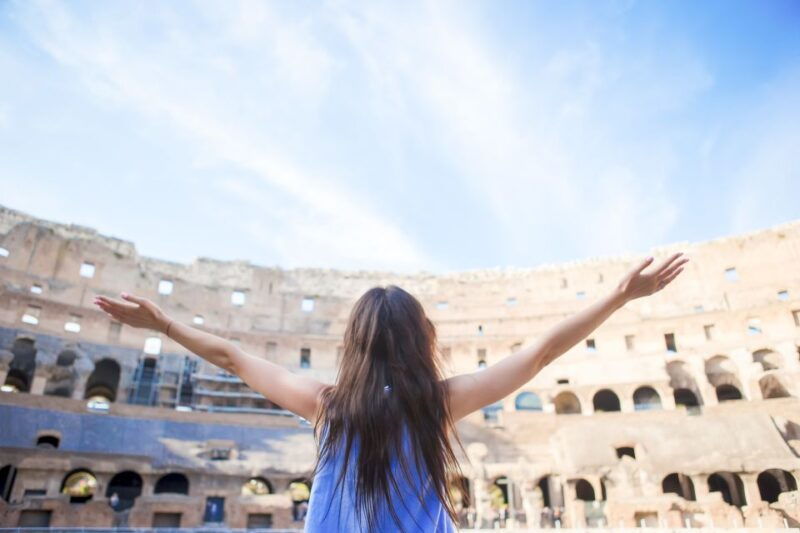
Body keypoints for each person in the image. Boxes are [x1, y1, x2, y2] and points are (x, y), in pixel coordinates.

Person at [95, 252, 688, 532]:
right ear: (420, 339)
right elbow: (539, 355)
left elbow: (230, 356)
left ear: (353, 344)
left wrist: (166, 326)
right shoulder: (440, 403)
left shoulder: (325, 406)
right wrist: (618, 298)